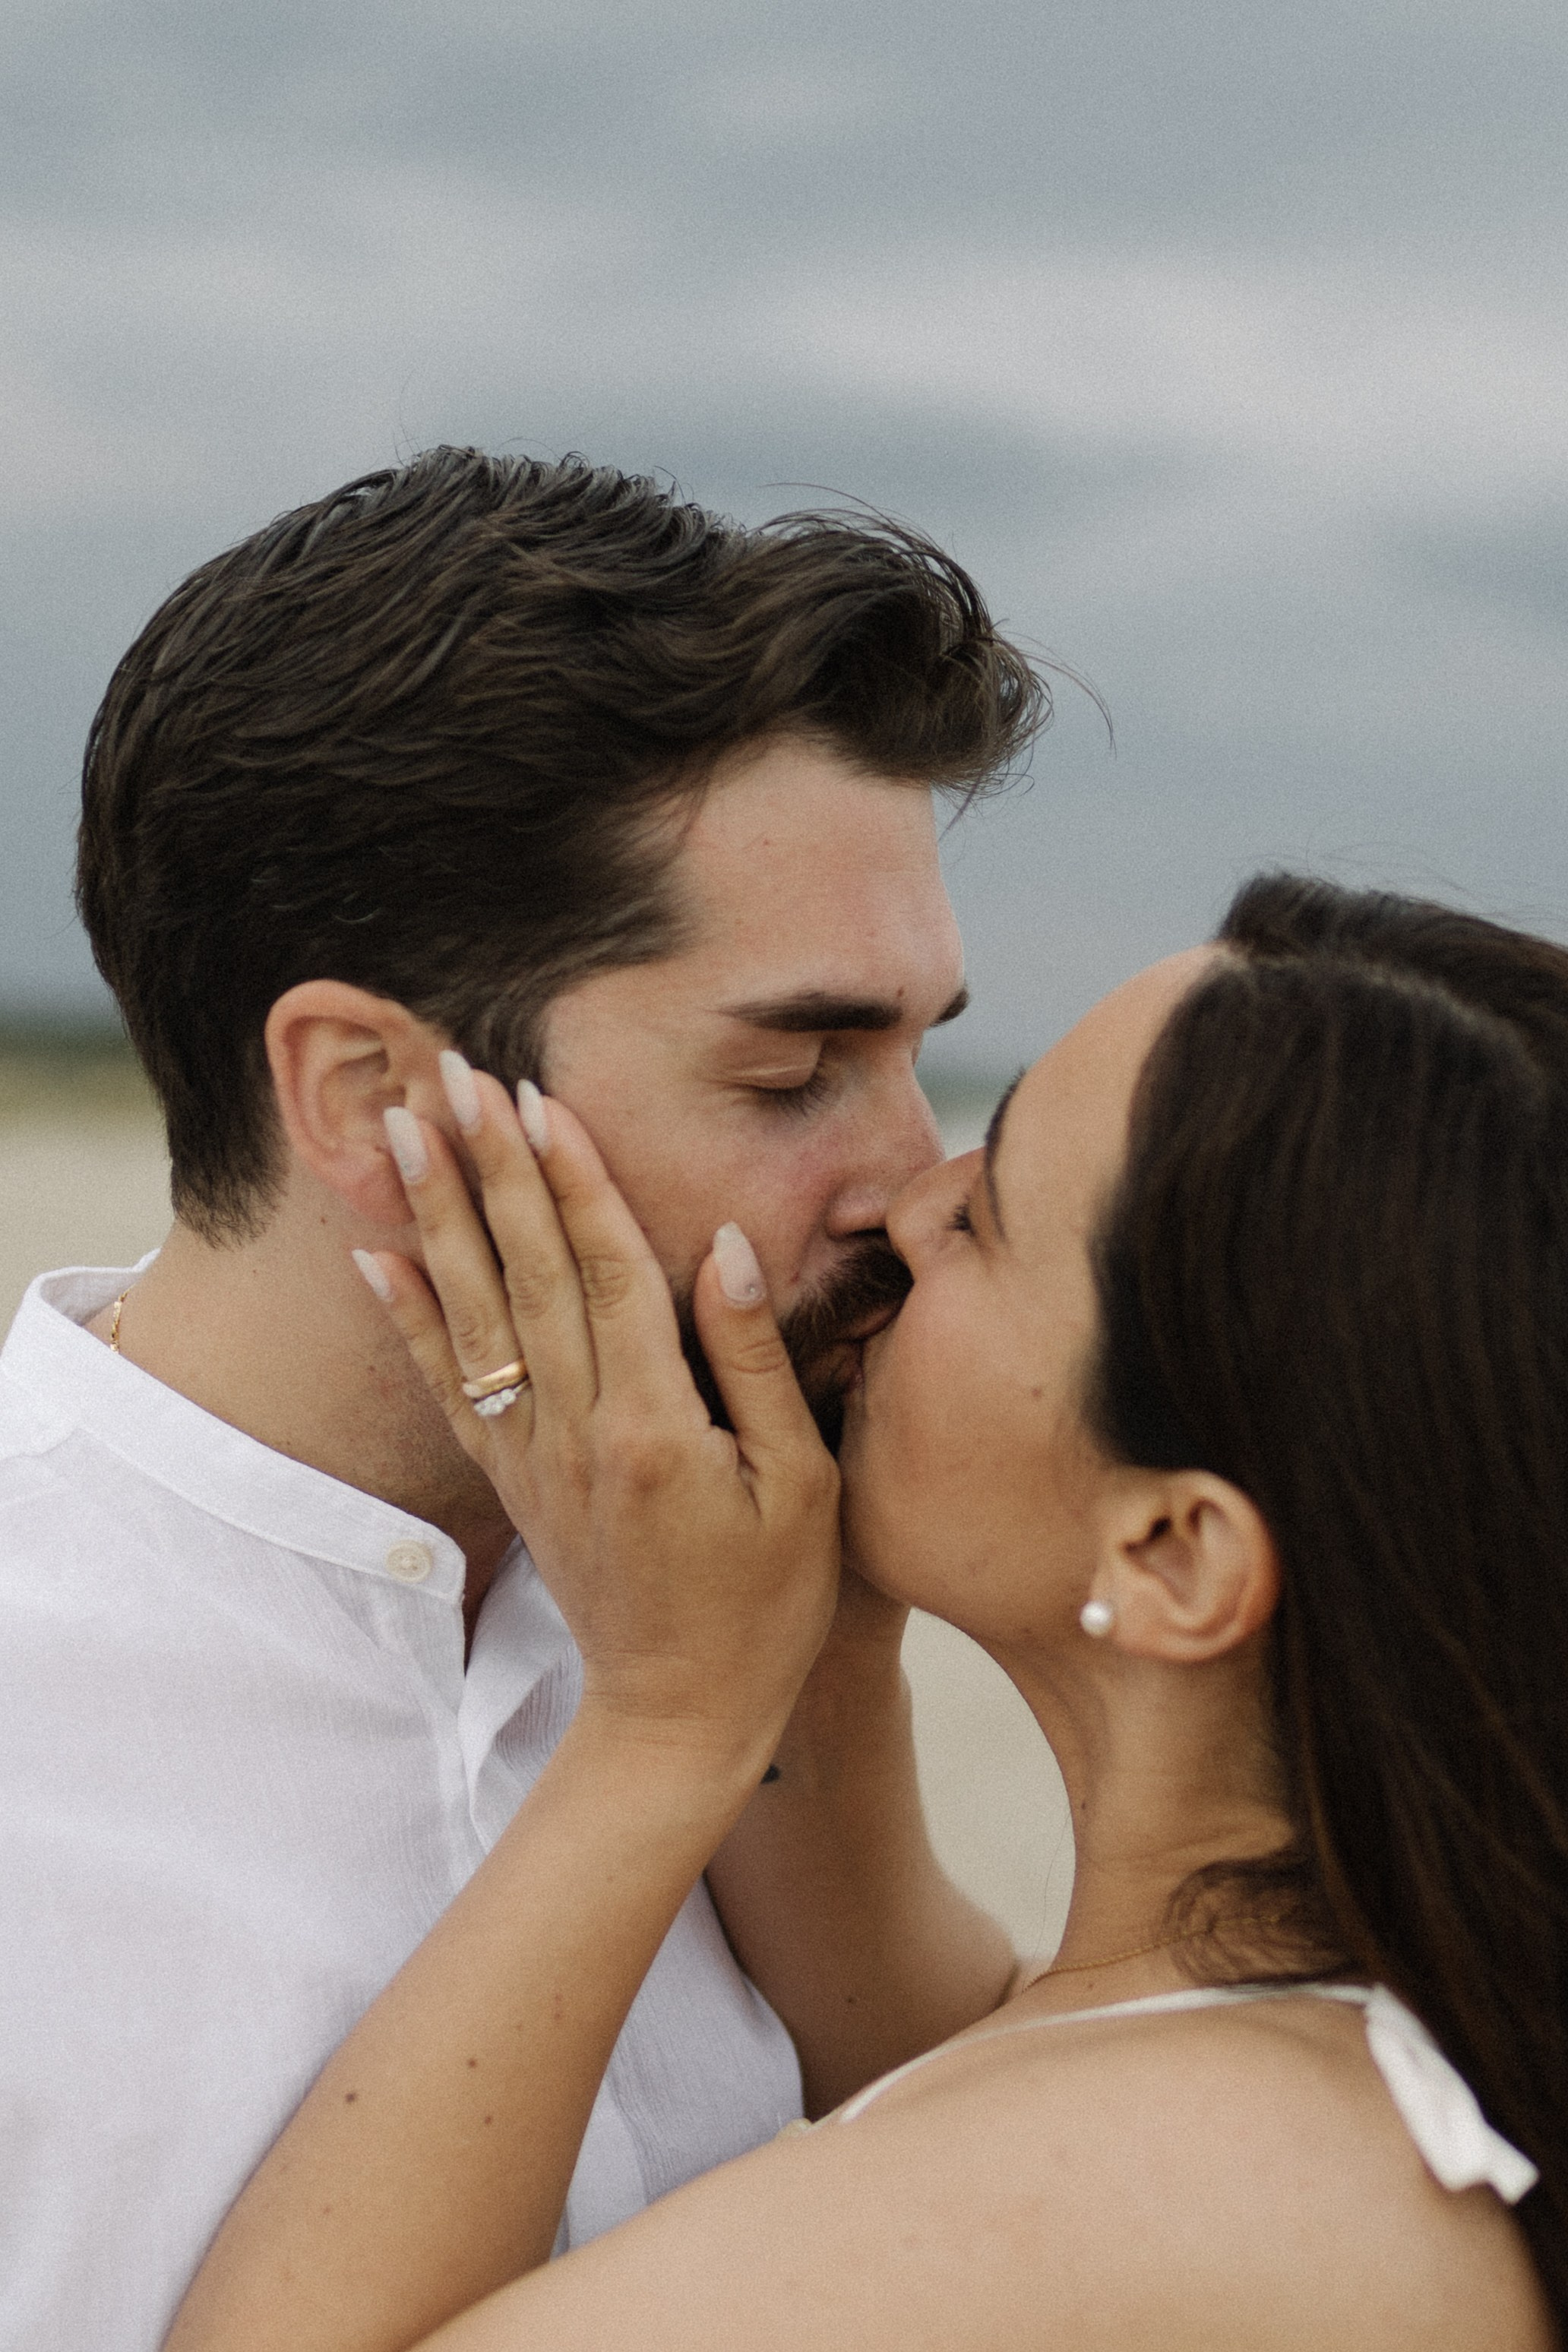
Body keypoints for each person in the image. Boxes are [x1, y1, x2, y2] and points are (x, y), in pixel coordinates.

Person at [171, 873, 1564, 2352]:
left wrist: (664, 1720)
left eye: (989, 1212)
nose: (906, 1200)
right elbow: (910, 2018)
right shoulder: (1305, 2044)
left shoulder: (1191, 2174)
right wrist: (805, 1641)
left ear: (1172, 1559)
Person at [0, 449, 1045, 2349]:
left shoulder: (749, 1592)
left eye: (917, 1057)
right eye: (798, 1072)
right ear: (374, 1102)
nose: (914, 1177)